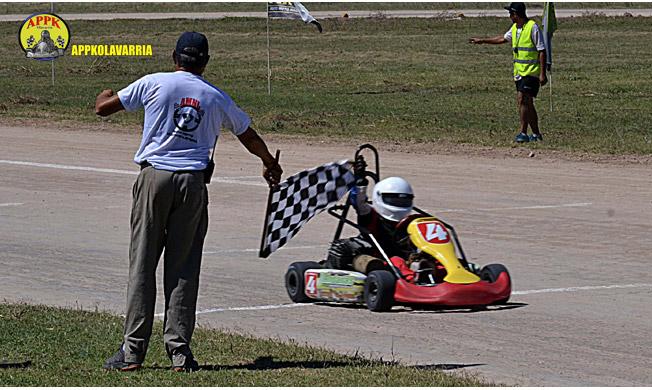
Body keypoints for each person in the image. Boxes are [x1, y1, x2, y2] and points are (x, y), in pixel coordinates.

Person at [94, 31, 283, 372]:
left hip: (154, 179)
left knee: (142, 264)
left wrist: (105, 93)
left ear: (174, 57)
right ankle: (180, 352)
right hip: (193, 184)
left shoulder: (154, 83)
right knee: (183, 269)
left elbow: (103, 109)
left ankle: (133, 352)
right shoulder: (215, 96)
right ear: (206, 62)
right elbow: (247, 134)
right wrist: (269, 163)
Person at [469, 2, 547, 143]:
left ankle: (523, 133)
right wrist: (483, 41)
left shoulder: (532, 27)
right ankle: (536, 134)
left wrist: (542, 73)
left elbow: (541, 50)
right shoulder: (515, 28)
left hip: (531, 73)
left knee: (522, 99)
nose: (509, 16)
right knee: (527, 103)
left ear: (516, 14)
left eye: (510, 13)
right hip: (519, 72)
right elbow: (503, 38)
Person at [325, 156, 415, 272]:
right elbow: (359, 202)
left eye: (403, 201)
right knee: (343, 249)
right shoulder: (371, 216)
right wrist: (359, 183)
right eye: (393, 200)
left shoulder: (412, 222)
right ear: (380, 198)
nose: (398, 204)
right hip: (378, 259)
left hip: (405, 258)